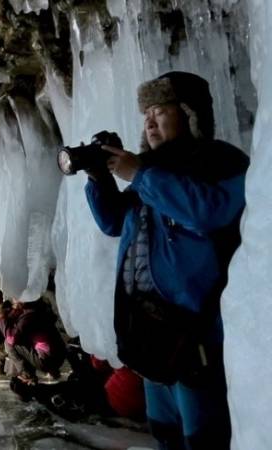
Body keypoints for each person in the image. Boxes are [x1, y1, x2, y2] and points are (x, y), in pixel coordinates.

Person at [85, 71, 248, 449]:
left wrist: (140, 174)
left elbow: (210, 212)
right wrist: (99, 179)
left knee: (202, 436)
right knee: (166, 433)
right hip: (148, 329)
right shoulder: (152, 172)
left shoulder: (222, 161)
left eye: (160, 109)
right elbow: (113, 222)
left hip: (197, 331)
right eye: (146, 113)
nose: (150, 120)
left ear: (189, 113)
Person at [10, 344, 146, 422]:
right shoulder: (128, 363)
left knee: (76, 380)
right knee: (79, 379)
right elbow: (96, 369)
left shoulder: (43, 395)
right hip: (109, 398)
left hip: (108, 399)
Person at [0, 298, 66, 383]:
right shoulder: (41, 309)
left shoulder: (29, 315)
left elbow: (11, 338)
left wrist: (1, 318)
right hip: (59, 356)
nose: (14, 303)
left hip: (47, 360)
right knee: (25, 339)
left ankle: (27, 376)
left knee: (8, 344)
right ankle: (53, 371)